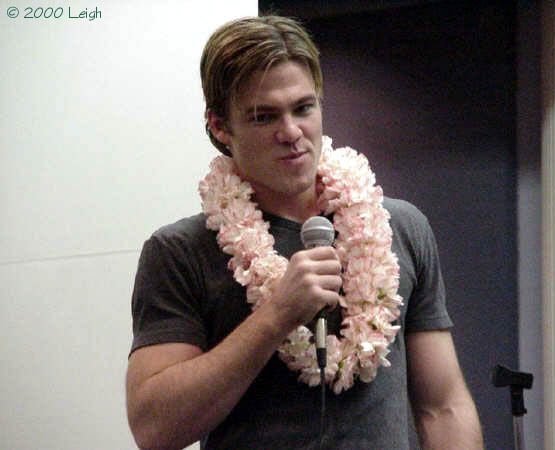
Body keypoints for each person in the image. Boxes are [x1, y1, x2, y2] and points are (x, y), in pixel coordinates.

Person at [126, 15, 483, 450]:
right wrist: (276, 315)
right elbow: (154, 429)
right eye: (264, 117)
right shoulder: (179, 251)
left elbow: (443, 407)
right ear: (220, 126)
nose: (292, 132)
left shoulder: (401, 227)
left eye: (303, 108)